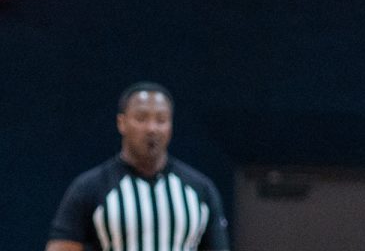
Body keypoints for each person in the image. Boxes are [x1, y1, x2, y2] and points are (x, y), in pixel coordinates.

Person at [47, 82, 230, 251]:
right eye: (141, 118)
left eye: (161, 120)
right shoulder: (90, 187)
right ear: (122, 123)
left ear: (171, 126)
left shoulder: (201, 189)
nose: (152, 128)